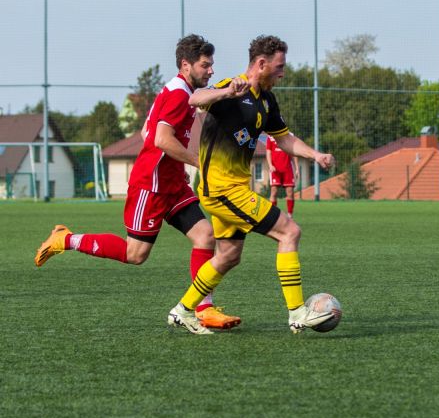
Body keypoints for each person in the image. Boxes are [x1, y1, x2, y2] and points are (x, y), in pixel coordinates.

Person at [34, 34, 246, 330]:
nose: (210, 70)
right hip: (151, 186)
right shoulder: (176, 93)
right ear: (186, 65)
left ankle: (203, 308)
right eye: (205, 65)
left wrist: (176, 164)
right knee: (136, 255)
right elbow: (160, 139)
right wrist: (196, 161)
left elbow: (149, 132)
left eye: (211, 65)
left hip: (171, 183)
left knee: (205, 237)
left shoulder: (179, 90)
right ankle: (65, 239)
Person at [166, 35, 336, 335]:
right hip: (221, 190)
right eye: (279, 67)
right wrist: (225, 93)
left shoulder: (267, 100)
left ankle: (183, 309)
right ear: (261, 63)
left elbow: (284, 139)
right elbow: (194, 99)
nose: (282, 73)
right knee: (289, 231)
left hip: (235, 189)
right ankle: (298, 313)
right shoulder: (232, 87)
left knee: (229, 255)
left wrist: (315, 155)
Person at [265, 133, 300, 218]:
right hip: (275, 169)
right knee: (274, 191)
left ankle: (290, 215)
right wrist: (270, 165)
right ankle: (273, 216)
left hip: (287, 169)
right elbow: (268, 152)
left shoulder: (290, 136)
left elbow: (293, 153)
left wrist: (297, 168)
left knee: (290, 192)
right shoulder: (270, 137)